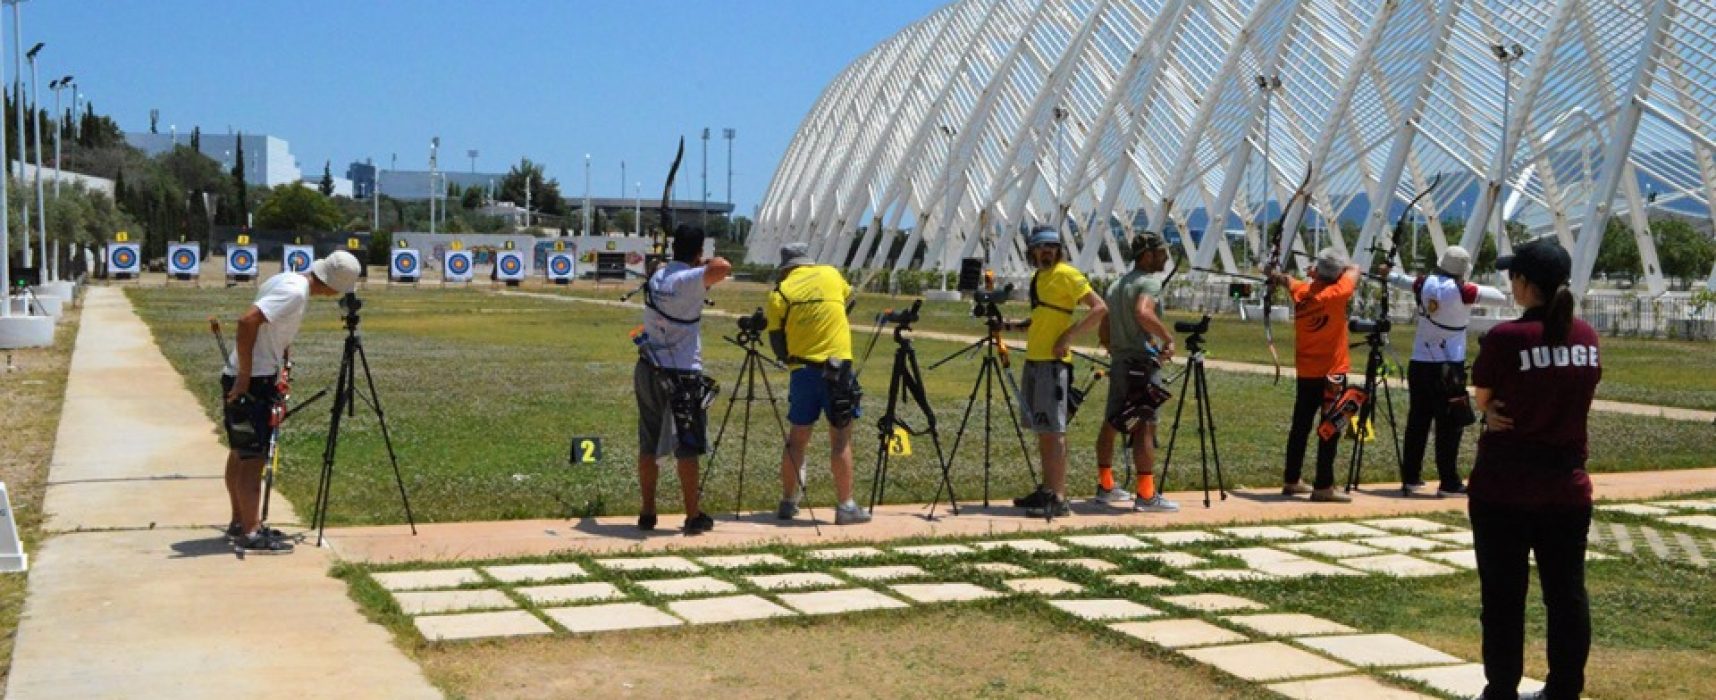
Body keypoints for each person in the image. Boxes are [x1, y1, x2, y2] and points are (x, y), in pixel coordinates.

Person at [1469, 238, 1598, 700]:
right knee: (1566, 596)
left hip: (1504, 486)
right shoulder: (1585, 337)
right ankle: (1564, 688)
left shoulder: (1507, 338)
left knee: (1503, 598)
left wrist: (1489, 412)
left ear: (1525, 284)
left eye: (1513, 276)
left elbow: (1483, 396)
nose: (1509, 283)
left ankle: (1501, 688)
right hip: (1566, 488)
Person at [221, 250, 360, 554]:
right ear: (334, 285)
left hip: (258, 375)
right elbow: (247, 323)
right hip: (252, 380)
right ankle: (252, 532)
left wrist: (282, 362)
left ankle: (241, 521)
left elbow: (270, 330)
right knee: (252, 459)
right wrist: (245, 377)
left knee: (240, 453)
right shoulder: (295, 292)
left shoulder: (288, 279)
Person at [1001, 227, 1108, 517]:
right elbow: (1041, 319)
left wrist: (1068, 337)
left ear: (1058, 250)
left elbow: (1099, 309)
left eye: (1051, 247)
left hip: (1053, 363)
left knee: (1054, 429)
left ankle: (1058, 498)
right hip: (1035, 360)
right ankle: (1047, 489)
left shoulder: (1067, 274)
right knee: (1042, 429)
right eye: (1040, 247)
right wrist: (1009, 326)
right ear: (1032, 251)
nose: (1045, 251)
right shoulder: (1040, 278)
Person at [1385, 245, 1506, 497]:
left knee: (1417, 421)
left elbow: (1401, 281)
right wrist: (1467, 284)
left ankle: (1411, 477)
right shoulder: (1464, 291)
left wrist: (1389, 273)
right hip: (1448, 366)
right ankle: (1449, 482)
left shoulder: (1423, 283)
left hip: (1419, 363)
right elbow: (1500, 297)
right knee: (1450, 424)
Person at [765, 242, 871, 525]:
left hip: (802, 370)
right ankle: (846, 506)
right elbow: (850, 301)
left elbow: (777, 341)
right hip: (838, 370)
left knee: (797, 438)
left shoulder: (780, 293)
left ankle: (788, 502)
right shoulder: (831, 275)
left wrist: (790, 358)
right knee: (840, 439)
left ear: (786, 268)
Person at [633, 226, 730, 534]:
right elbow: (724, 266)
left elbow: (658, 268)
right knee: (687, 445)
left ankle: (648, 512)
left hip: (648, 368)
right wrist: (701, 265)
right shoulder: (688, 280)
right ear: (698, 252)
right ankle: (692, 515)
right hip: (682, 374)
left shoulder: (657, 277)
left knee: (648, 442)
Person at [1095, 232, 1178, 513]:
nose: (1166, 257)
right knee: (1145, 425)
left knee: (1112, 421)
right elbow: (1144, 313)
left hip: (1119, 362)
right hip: (1142, 364)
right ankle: (1146, 493)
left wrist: (1112, 345)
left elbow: (1104, 324)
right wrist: (1167, 338)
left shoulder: (1116, 285)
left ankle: (1105, 485)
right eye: (1161, 252)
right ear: (1147, 255)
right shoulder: (1149, 283)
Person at [1268, 247, 1359, 503]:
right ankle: (1323, 486)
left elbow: (1287, 280)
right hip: (1333, 374)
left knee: (1301, 426)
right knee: (1331, 428)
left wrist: (1277, 275)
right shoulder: (1338, 292)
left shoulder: (1302, 291)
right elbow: (1354, 270)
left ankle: (1292, 479)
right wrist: (1322, 272)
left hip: (1307, 372)